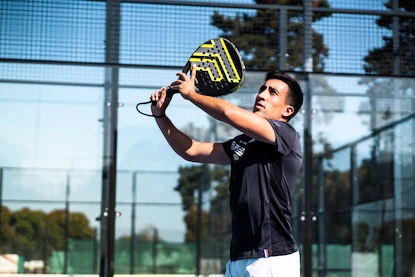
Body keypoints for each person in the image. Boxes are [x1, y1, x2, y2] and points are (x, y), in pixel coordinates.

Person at [150, 65, 304, 277]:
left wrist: (192, 95)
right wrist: (160, 116)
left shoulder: (287, 135)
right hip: (238, 256)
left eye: (272, 92)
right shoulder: (242, 142)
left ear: (288, 111)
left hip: (271, 259)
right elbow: (192, 150)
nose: (261, 95)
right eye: (262, 89)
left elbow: (228, 113)